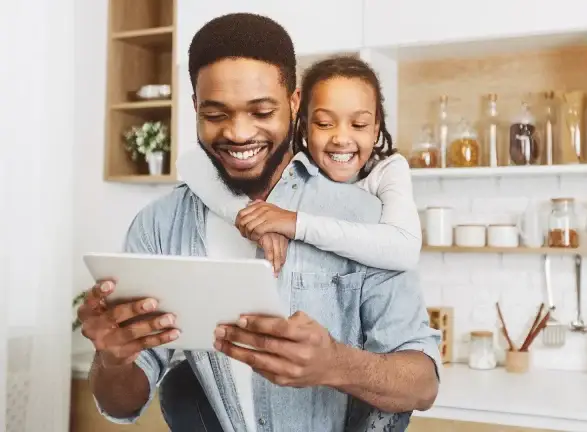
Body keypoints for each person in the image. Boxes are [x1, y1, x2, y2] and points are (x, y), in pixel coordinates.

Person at [76, 12, 440, 432]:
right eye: (215, 114)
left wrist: (335, 364)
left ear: (294, 102)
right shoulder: (159, 225)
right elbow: (121, 404)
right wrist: (113, 357)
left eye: (261, 111)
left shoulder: (364, 218)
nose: (238, 133)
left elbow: (423, 383)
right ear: (195, 106)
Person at [177, 55, 421, 276]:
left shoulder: (387, 169)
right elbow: (189, 162)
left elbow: (405, 249)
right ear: (304, 126)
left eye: (359, 124)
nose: (341, 138)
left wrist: (294, 223)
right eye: (325, 124)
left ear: (376, 128)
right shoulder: (294, 166)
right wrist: (256, 218)